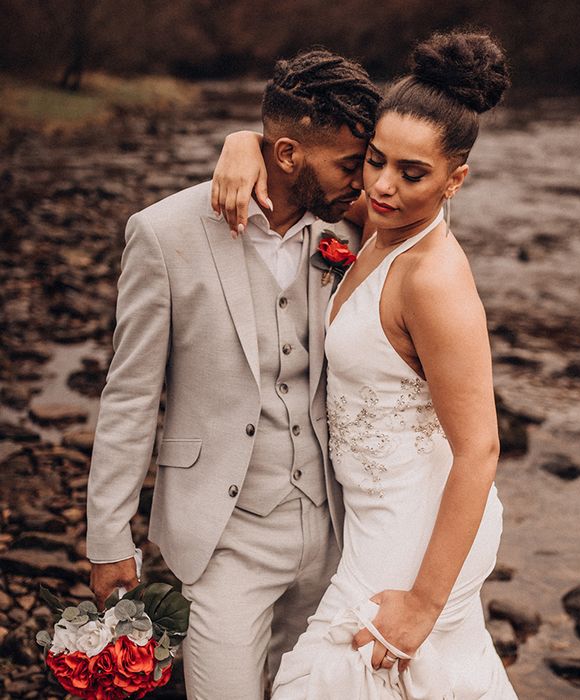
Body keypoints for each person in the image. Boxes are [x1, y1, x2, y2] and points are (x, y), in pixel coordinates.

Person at [212, 30, 518, 698]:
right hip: (374, 515)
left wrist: (423, 604)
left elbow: (482, 449)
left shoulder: (433, 279)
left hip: (414, 526)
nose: (381, 186)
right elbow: (299, 164)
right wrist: (244, 144)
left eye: (413, 174)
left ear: (455, 180)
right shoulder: (378, 222)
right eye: (375, 160)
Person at [85, 49, 381, 699]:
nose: (363, 183)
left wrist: (242, 138)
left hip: (334, 536)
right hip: (225, 541)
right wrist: (108, 536)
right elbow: (131, 394)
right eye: (350, 166)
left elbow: (432, 217)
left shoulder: (350, 228)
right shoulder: (163, 234)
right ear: (286, 156)